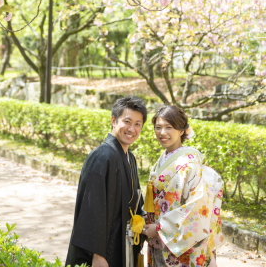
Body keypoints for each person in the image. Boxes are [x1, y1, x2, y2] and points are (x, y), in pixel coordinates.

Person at [65, 96, 147, 267]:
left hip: (124, 243)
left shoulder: (130, 158)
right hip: (105, 250)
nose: (132, 129)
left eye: (138, 124)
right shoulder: (103, 156)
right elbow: (92, 208)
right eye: (127, 121)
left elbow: (135, 201)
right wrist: (97, 254)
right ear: (113, 120)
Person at [143, 105, 224, 267]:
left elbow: (196, 208)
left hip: (179, 245)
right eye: (158, 127)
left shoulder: (189, 164)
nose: (162, 133)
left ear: (181, 131)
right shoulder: (165, 157)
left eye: (169, 127)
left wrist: (160, 228)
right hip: (160, 239)